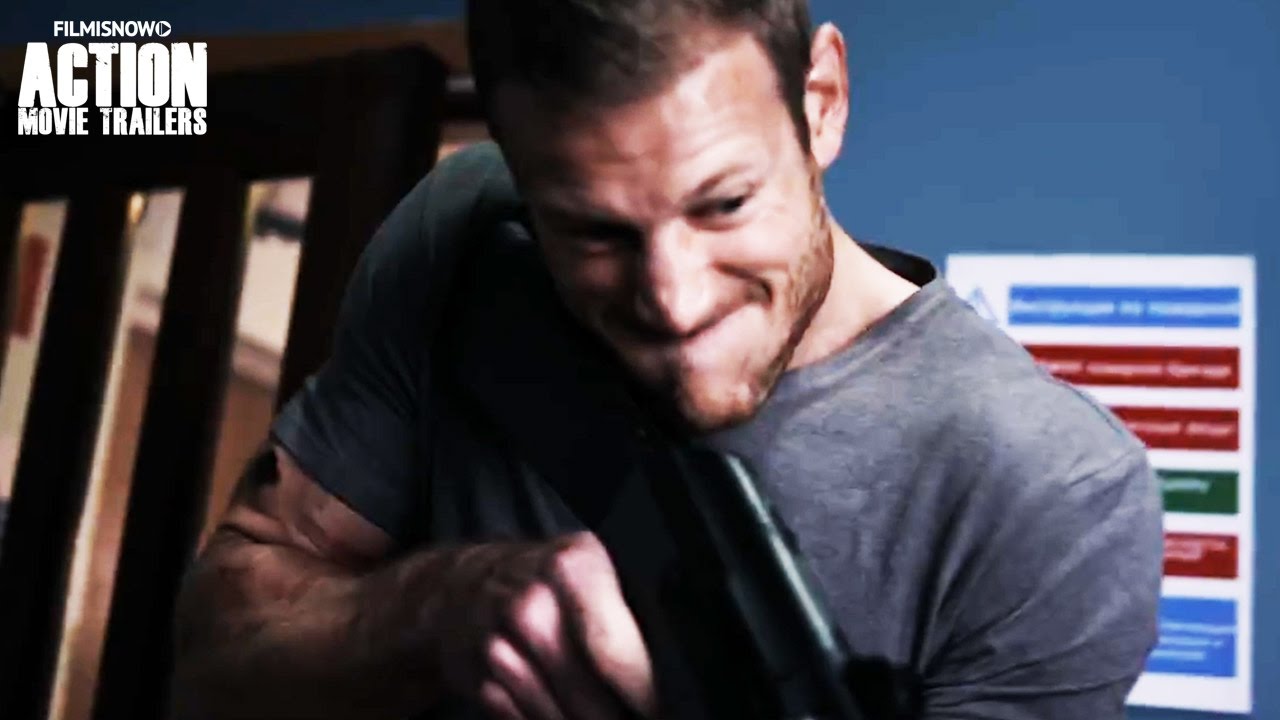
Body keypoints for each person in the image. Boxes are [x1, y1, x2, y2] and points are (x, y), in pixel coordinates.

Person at [170, 1, 1164, 718]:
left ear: (820, 100)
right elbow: (214, 657)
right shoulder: (463, 230)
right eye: (593, 232)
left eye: (723, 204)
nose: (673, 302)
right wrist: (441, 608)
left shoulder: (1053, 493)